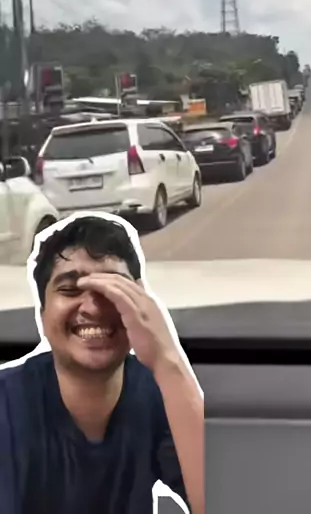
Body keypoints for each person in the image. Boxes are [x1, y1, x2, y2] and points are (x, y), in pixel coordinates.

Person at [0, 213, 204, 514]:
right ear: (42, 315)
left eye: (112, 290)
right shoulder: (6, 404)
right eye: (70, 290)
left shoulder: (159, 396)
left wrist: (167, 358)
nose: (93, 308)